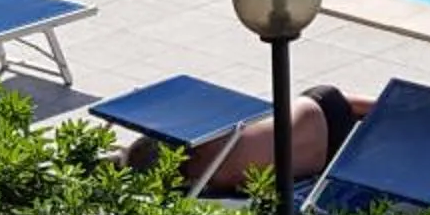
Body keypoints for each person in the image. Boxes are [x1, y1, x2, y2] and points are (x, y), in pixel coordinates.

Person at [124, 84, 365, 195]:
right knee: (376, 108)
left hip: (325, 155)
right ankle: (400, 102)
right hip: (317, 105)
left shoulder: (216, 179)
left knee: (379, 130)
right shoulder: (210, 138)